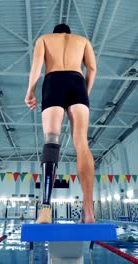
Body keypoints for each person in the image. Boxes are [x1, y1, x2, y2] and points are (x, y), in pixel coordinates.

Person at [24, 24, 97, 224]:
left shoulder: (44, 39)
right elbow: (91, 68)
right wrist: (85, 93)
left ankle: (45, 210)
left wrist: (30, 91)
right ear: (68, 32)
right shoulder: (83, 41)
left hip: (53, 82)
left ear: (56, 32)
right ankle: (88, 211)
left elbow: (37, 68)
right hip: (77, 82)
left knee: (51, 141)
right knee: (81, 142)